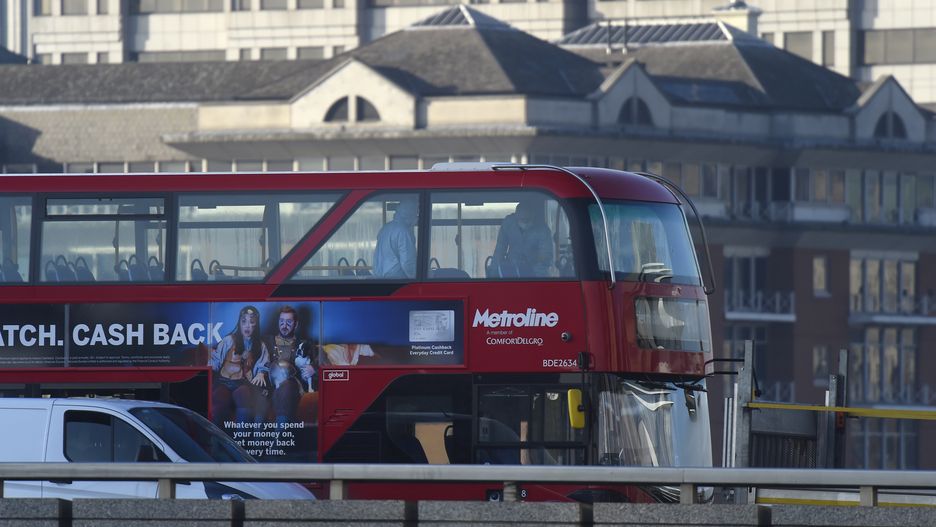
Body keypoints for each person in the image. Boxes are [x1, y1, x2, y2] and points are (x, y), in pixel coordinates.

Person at [209, 305, 270, 425]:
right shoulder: (228, 340)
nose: (247, 325)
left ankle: (241, 439)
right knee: (219, 397)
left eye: (251, 322)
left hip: (242, 382)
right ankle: (215, 442)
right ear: (239, 323)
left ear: (256, 325)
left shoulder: (260, 345)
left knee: (244, 395)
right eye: (244, 321)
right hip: (223, 381)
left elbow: (264, 363)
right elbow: (215, 362)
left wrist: (261, 373)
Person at [265, 306, 317, 426]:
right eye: (281, 321)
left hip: (293, 387)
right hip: (269, 386)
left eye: (289, 322)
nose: (284, 325)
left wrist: (313, 369)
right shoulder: (267, 342)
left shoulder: (305, 343)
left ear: (296, 324)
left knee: (287, 386)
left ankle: (281, 439)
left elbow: (322, 362)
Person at [491, 197, 553, 277]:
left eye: (527, 220)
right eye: (521, 219)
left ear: (533, 216)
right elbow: (500, 248)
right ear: (516, 216)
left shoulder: (542, 229)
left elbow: (546, 255)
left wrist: (535, 276)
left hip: (536, 271)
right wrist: (494, 273)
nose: (524, 222)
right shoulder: (508, 224)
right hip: (511, 270)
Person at [373, 198, 418, 278]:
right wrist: (415, 277)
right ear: (409, 216)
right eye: (415, 215)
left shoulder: (385, 228)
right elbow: (407, 262)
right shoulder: (403, 232)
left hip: (380, 277)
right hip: (397, 278)